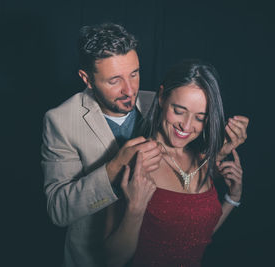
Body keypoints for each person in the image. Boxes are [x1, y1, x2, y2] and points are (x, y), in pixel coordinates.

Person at [41, 22, 248, 267]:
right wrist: (114, 167)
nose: (130, 90)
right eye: (114, 80)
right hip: (95, 257)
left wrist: (219, 153)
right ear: (87, 79)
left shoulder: (162, 104)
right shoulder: (60, 121)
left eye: (134, 73)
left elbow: (184, 180)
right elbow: (58, 210)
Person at [104, 59, 246, 267]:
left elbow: (196, 236)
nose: (186, 126)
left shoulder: (202, 160)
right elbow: (111, 260)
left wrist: (233, 198)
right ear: (161, 97)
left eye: (200, 117)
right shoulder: (135, 159)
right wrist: (135, 209)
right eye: (179, 111)